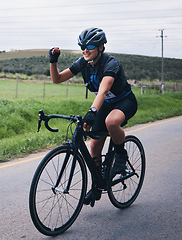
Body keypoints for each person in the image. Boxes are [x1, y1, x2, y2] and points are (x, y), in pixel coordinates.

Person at [49, 27, 138, 206]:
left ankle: (120, 155)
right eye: (82, 46)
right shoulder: (83, 63)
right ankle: (97, 185)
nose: (85, 50)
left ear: (101, 47)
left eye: (90, 45)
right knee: (94, 146)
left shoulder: (110, 63)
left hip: (124, 101)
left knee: (111, 122)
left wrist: (92, 113)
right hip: (105, 104)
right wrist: (53, 61)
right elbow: (57, 79)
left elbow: (104, 90)